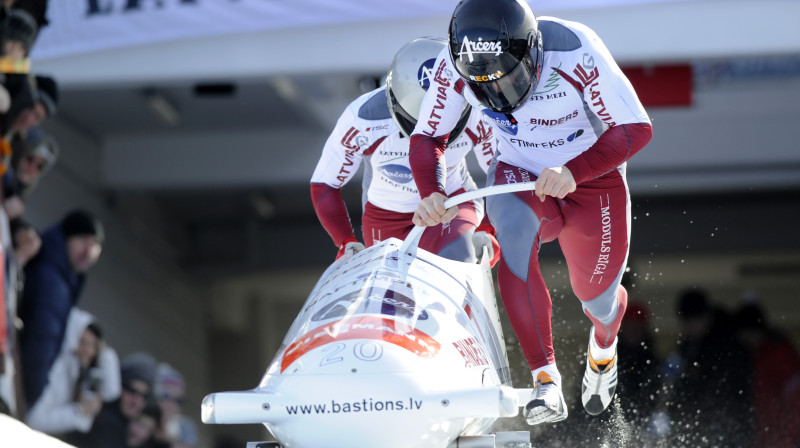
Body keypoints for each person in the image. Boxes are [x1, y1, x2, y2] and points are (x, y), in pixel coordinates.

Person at [408, 0, 652, 425]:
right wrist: (431, 190)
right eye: (485, 87)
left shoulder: (577, 49)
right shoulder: (452, 64)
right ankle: (546, 379)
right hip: (519, 170)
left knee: (597, 298)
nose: (500, 95)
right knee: (514, 238)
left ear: (533, 52)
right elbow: (428, 135)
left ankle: (603, 347)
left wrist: (574, 171)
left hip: (592, 174)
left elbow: (635, 129)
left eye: (511, 79)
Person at [310, 36, 500, 265]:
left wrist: (488, 226)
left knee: (460, 261)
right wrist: (345, 240)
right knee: (396, 299)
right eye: (418, 123)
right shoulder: (362, 119)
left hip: (451, 205)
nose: (429, 131)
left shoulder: (479, 112)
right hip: (387, 219)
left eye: (443, 123)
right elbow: (325, 184)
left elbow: (503, 173)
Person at [18, 208, 104, 408]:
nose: (88, 251)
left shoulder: (63, 279)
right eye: (83, 240)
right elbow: (41, 339)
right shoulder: (53, 281)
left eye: (95, 245)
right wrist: (31, 393)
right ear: (67, 238)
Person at [26, 308, 121, 437]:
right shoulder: (56, 369)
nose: (88, 351)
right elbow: (34, 420)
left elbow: (111, 392)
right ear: (71, 338)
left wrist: (104, 351)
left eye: (93, 346)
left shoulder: (79, 372)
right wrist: (79, 411)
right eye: (83, 342)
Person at [735, 299, 800, 448]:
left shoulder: (779, 356)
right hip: (771, 436)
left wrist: (787, 439)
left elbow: (795, 402)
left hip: (787, 438)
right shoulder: (759, 356)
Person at [71, 351, 158, 448]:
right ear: (119, 386)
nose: (136, 401)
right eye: (131, 390)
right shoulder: (102, 417)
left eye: (144, 396)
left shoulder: (128, 425)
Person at [152, 363, 198, 448]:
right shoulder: (147, 420)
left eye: (178, 401)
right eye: (166, 396)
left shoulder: (185, 426)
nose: (172, 404)